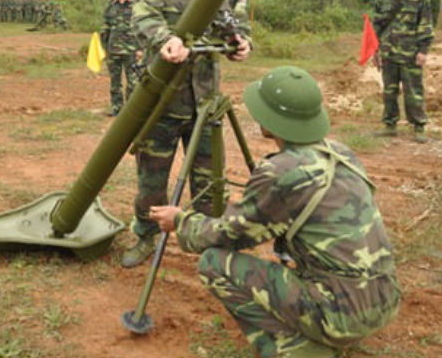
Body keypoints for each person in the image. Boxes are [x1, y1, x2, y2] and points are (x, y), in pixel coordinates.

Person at [149, 66, 401, 358]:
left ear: (272, 119)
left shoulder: (281, 172)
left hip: (342, 313)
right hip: (383, 299)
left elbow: (229, 236)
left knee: (214, 264)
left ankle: (299, 350)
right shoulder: (341, 153)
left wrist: (181, 221)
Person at [121, 0, 252, 268]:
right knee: (152, 178)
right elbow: (143, 17)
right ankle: (146, 236)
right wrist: (167, 40)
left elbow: (238, 22)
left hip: (206, 101)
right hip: (163, 99)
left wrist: (241, 43)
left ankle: (210, 246)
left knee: (210, 181)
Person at [371, 0, 434, 143]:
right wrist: (375, 50)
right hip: (388, 52)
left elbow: (425, 22)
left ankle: (418, 126)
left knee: (413, 90)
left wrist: (423, 49)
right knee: (389, 91)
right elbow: (376, 26)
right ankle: (390, 125)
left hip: (410, 52)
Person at [100, 0, 142, 116]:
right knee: (115, 81)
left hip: (132, 49)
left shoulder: (137, 4)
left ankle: (131, 110)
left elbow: (142, 26)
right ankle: (116, 107)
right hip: (114, 49)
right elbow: (105, 26)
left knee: (133, 82)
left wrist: (140, 48)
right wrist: (104, 48)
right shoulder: (110, 5)